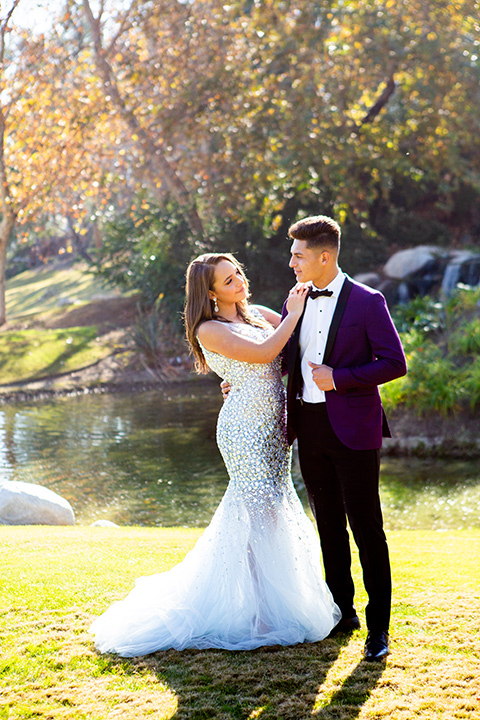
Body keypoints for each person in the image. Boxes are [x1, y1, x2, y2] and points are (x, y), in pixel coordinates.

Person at [89, 252, 341, 656]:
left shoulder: (257, 313)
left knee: (269, 511)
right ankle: (262, 615)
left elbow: (289, 355)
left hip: (276, 428)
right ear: (209, 292)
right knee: (258, 514)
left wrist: (298, 314)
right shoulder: (209, 328)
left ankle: (266, 606)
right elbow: (262, 355)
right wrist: (291, 315)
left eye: (238, 272)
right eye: (228, 280)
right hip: (244, 429)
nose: (240, 281)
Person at [223, 216, 407, 661]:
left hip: (355, 431)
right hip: (307, 427)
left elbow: (394, 363)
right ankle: (343, 614)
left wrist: (339, 379)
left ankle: (378, 631)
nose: (291, 263)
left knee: (367, 529)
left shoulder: (368, 301)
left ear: (324, 257)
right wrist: (239, 383)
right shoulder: (296, 301)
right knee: (328, 527)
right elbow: (283, 359)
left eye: (298, 255)